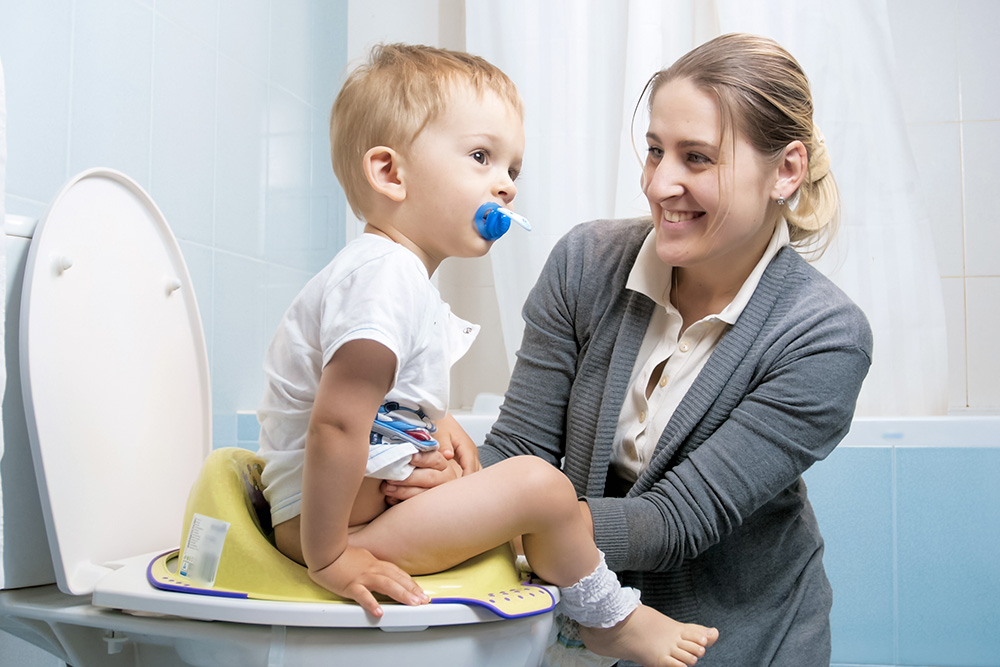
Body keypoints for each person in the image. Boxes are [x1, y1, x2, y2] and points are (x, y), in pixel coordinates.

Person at [389, 33, 872, 667]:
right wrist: (451, 484)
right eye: (654, 150)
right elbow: (522, 448)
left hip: (739, 643)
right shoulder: (586, 263)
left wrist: (480, 515)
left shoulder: (823, 335)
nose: (659, 183)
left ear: (784, 170)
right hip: (589, 630)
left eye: (696, 158)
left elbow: (673, 523)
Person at [256, 43, 719, 667]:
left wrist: (437, 424)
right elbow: (336, 421)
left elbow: (372, 395)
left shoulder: (395, 275)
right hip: (327, 529)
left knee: (512, 507)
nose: (504, 183)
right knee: (541, 488)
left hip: (342, 516)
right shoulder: (384, 278)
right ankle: (609, 618)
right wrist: (331, 556)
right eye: (480, 157)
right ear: (391, 174)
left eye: (512, 169)